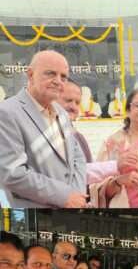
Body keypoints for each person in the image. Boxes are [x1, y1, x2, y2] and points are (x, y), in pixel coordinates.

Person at [0, 50, 87, 208]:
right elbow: (12, 173)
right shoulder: (7, 112)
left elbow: (77, 159)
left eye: (63, 77)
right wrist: (64, 196)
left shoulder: (61, 113)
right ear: (30, 75)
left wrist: (76, 195)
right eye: (50, 73)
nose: (58, 81)